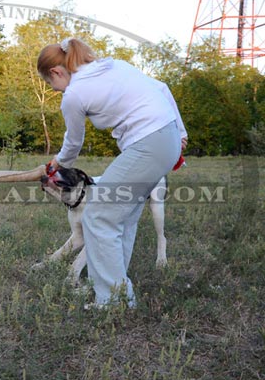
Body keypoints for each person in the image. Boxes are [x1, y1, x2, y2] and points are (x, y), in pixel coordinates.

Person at [37, 37, 188, 309]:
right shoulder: (112, 66)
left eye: (51, 85)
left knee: (98, 215)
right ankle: (113, 290)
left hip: (148, 143)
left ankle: (112, 302)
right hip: (164, 137)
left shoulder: (74, 94)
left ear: (56, 72)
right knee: (123, 217)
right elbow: (162, 88)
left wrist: (58, 162)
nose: (55, 90)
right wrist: (179, 134)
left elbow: (73, 144)